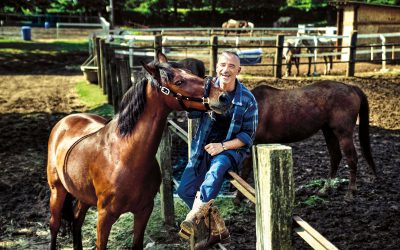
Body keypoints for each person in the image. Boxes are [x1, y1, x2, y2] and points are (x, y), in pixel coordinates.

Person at [177, 51, 258, 249]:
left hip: (230, 150)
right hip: (203, 148)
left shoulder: (248, 100)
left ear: (238, 70)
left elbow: (248, 136)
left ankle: (193, 217)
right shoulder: (204, 88)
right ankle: (217, 229)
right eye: (223, 65)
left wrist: (222, 146)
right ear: (216, 67)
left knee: (217, 170)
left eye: (231, 66)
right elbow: (191, 111)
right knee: (184, 191)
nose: (226, 69)